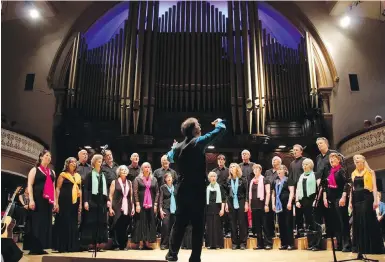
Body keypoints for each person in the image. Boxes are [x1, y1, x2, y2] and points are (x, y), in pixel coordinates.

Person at [165, 118, 226, 262]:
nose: (200, 126)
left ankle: (172, 254)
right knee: (198, 225)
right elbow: (220, 131)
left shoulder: (178, 147)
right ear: (193, 130)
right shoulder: (198, 142)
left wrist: (174, 147)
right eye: (198, 125)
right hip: (197, 189)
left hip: (182, 189)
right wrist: (219, 123)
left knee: (179, 223)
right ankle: (195, 257)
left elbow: (170, 157)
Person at [349, 154, 384, 254]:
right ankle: (360, 247)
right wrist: (350, 201)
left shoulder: (370, 172)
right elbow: (352, 188)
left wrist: (376, 200)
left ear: (363, 160)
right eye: (355, 159)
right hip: (356, 198)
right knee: (358, 220)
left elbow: (374, 187)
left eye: (358, 158)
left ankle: (371, 247)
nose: (356, 160)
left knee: (367, 219)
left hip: (366, 197)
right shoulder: (353, 173)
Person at [25, 150, 56, 255]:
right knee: (36, 223)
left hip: (48, 201)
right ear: (41, 157)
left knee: (45, 223)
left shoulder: (52, 172)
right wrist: (31, 200)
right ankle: (34, 247)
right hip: (38, 200)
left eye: (50, 156)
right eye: (46, 155)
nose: (49, 157)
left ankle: (42, 246)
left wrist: (55, 202)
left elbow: (53, 187)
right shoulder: (34, 170)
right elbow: (30, 185)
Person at [323, 153, 351, 252]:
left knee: (343, 221)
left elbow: (347, 184)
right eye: (330, 159)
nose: (331, 160)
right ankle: (339, 244)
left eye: (333, 159)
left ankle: (347, 244)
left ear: (338, 160)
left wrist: (343, 197)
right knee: (336, 223)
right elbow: (326, 187)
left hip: (340, 198)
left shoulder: (341, 170)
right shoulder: (330, 172)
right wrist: (325, 198)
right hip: (332, 199)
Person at [81, 154, 109, 251]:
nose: (100, 162)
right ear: (94, 162)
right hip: (92, 200)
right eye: (98, 161)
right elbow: (86, 189)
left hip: (101, 201)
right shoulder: (89, 174)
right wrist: (85, 202)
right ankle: (91, 244)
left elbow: (106, 189)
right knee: (92, 222)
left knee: (100, 222)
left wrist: (108, 200)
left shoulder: (103, 175)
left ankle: (98, 243)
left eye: (101, 161)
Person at [54, 157, 82, 252]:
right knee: (64, 222)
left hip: (74, 202)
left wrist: (80, 204)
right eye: (71, 162)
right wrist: (56, 202)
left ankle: (72, 246)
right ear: (67, 164)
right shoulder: (63, 175)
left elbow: (80, 191)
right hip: (64, 202)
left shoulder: (78, 176)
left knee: (73, 223)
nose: (74, 164)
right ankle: (63, 246)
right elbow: (57, 188)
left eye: (75, 162)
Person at [132, 162, 159, 250]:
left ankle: (147, 242)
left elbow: (157, 192)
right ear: (142, 169)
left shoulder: (154, 179)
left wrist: (155, 204)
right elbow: (135, 192)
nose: (147, 168)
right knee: (141, 222)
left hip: (151, 204)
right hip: (141, 203)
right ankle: (141, 242)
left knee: (149, 222)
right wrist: (137, 204)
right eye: (145, 167)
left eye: (148, 167)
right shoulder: (138, 179)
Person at [109, 165, 135, 250]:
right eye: (122, 170)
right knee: (116, 225)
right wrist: (110, 208)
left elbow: (131, 196)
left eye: (125, 170)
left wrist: (133, 206)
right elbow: (111, 195)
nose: (124, 171)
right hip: (116, 205)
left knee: (125, 225)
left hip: (127, 205)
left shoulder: (129, 182)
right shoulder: (114, 182)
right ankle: (116, 244)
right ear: (119, 172)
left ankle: (123, 245)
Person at [225, 163, 249, 250]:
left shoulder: (243, 179)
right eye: (230, 167)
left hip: (241, 201)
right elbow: (226, 193)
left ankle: (243, 243)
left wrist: (246, 203)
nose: (231, 168)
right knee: (233, 223)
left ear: (237, 168)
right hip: (231, 202)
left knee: (242, 222)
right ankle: (235, 243)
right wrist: (226, 204)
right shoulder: (228, 180)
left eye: (233, 166)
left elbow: (246, 192)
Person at [272, 165, 295, 250]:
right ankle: (284, 243)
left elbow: (292, 192)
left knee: (288, 223)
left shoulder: (288, 180)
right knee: (281, 224)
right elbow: (273, 194)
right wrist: (273, 204)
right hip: (279, 205)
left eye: (281, 169)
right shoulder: (275, 181)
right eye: (278, 169)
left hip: (286, 204)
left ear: (285, 171)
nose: (279, 171)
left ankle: (290, 244)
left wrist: (289, 202)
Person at [249, 164, 271, 250]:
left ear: (260, 170)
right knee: (257, 226)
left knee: (265, 225)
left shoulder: (265, 180)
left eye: (257, 169)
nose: (255, 171)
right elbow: (250, 194)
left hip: (262, 205)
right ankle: (260, 244)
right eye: (254, 169)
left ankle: (268, 243)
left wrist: (266, 204)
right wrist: (250, 205)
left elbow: (268, 193)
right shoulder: (251, 181)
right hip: (254, 206)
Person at [295, 159, 317, 242]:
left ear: (310, 165)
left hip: (311, 199)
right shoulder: (301, 176)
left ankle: (313, 242)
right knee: (301, 221)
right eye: (303, 164)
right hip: (301, 200)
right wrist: (297, 200)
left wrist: (316, 200)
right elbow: (297, 189)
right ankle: (306, 240)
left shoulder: (314, 175)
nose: (304, 166)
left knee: (311, 221)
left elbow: (318, 188)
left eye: (306, 164)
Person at [211, 154, 231, 238]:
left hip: (226, 194)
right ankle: (219, 231)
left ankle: (228, 231)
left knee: (226, 214)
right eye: (219, 159)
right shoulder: (214, 171)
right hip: (215, 195)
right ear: (217, 161)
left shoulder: (228, 171)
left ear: (225, 161)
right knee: (217, 213)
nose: (220, 161)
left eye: (222, 159)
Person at [289, 144, 306, 236]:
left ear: (301, 151)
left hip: (305, 189)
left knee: (306, 212)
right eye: (293, 150)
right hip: (296, 191)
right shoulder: (292, 164)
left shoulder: (305, 161)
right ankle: (299, 232)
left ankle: (307, 232)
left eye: (296, 150)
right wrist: (293, 192)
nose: (294, 151)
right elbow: (291, 179)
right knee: (298, 213)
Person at [205, 172, 226, 249]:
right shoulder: (207, 188)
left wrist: (222, 209)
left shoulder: (220, 187)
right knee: (209, 227)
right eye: (211, 176)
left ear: (216, 178)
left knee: (217, 226)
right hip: (209, 209)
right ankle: (210, 244)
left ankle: (218, 244)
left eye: (214, 176)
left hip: (217, 208)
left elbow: (223, 199)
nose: (213, 178)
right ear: (209, 178)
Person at [160, 172, 178, 250]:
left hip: (174, 209)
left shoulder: (175, 187)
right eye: (168, 177)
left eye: (171, 177)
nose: (169, 178)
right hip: (165, 208)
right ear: (165, 179)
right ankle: (164, 244)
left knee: (173, 227)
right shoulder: (163, 187)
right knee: (165, 225)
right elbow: (160, 199)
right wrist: (160, 210)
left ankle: (172, 244)